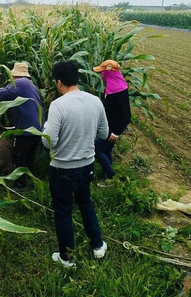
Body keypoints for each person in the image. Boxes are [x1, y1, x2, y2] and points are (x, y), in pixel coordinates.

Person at [42, 60, 109, 268]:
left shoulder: (58, 105)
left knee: (63, 211)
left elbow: (47, 142)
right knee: (85, 202)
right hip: (87, 166)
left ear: (59, 82)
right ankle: (98, 246)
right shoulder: (95, 101)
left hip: (62, 169)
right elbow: (104, 134)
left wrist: (45, 128)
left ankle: (67, 258)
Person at [0, 62, 44, 188]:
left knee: (18, 156)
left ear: (15, 75)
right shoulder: (31, 85)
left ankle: (20, 185)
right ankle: (31, 181)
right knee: (29, 155)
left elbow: (2, 94)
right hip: (37, 129)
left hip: (25, 130)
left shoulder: (20, 83)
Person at [92, 59, 131, 180]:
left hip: (113, 127)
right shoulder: (114, 86)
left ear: (109, 73)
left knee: (97, 150)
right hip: (110, 125)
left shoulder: (117, 91)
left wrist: (116, 133)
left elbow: (126, 115)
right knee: (107, 150)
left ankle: (111, 175)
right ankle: (106, 177)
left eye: (103, 72)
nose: (101, 74)